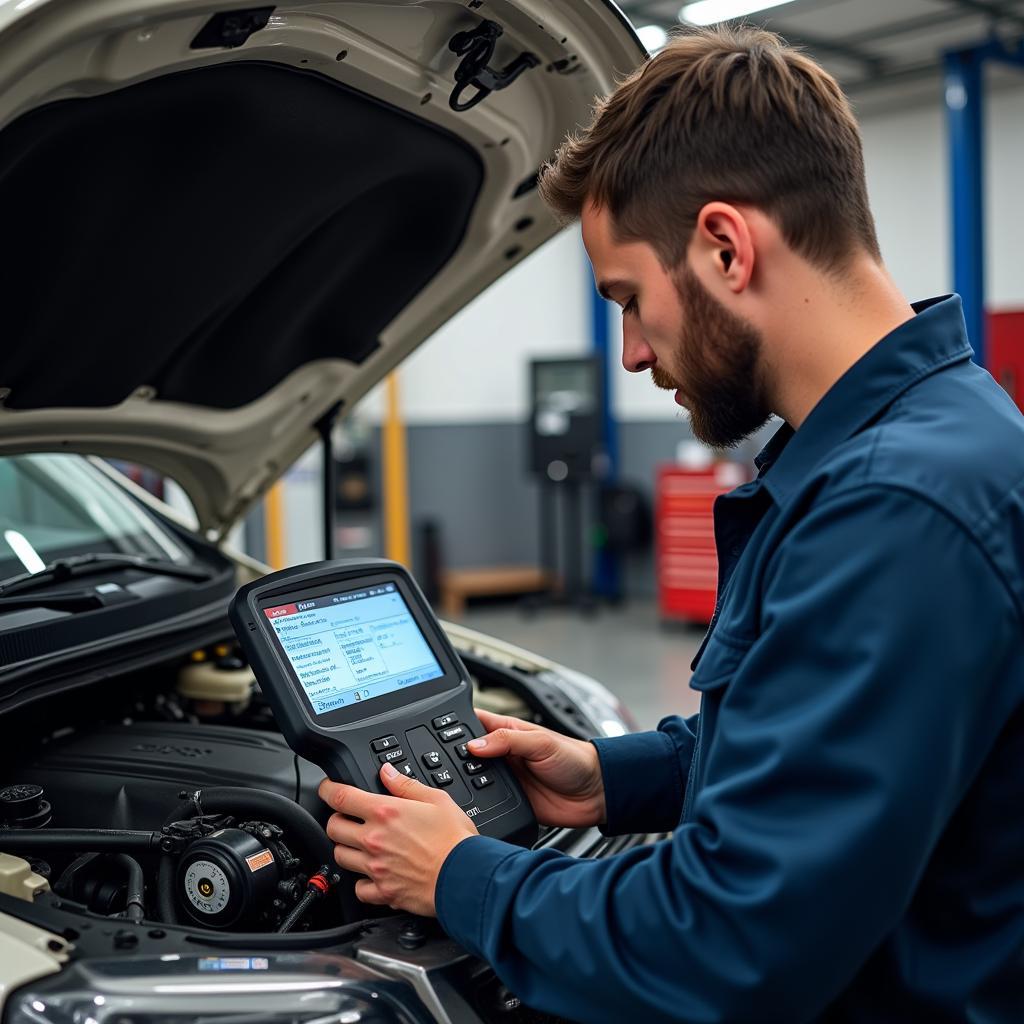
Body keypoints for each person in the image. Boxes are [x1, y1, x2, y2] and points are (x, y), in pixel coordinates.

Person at [318, 25, 1024, 1022]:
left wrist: (462, 875)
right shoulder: (940, 434)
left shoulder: (892, 510)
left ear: (725, 247)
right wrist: (608, 777)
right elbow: (818, 746)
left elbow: (732, 942)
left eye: (630, 300)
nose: (633, 355)